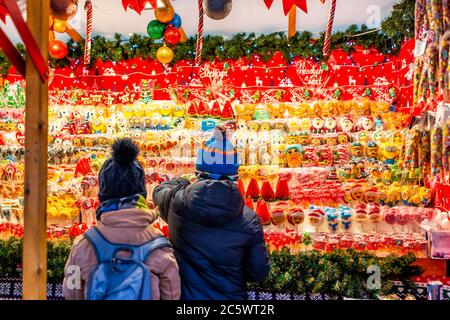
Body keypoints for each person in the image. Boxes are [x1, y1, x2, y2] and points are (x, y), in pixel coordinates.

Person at [153, 126, 270, 300]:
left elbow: (159, 191)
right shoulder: (249, 219)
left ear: (199, 172)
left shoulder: (177, 203)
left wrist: (183, 181)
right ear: (234, 174)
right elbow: (258, 271)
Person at [63, 138, 180, 300]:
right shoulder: (159, 244)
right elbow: (172, 294)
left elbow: (71, 293)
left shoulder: (83, 245)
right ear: (142, 194)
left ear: (103, 194)